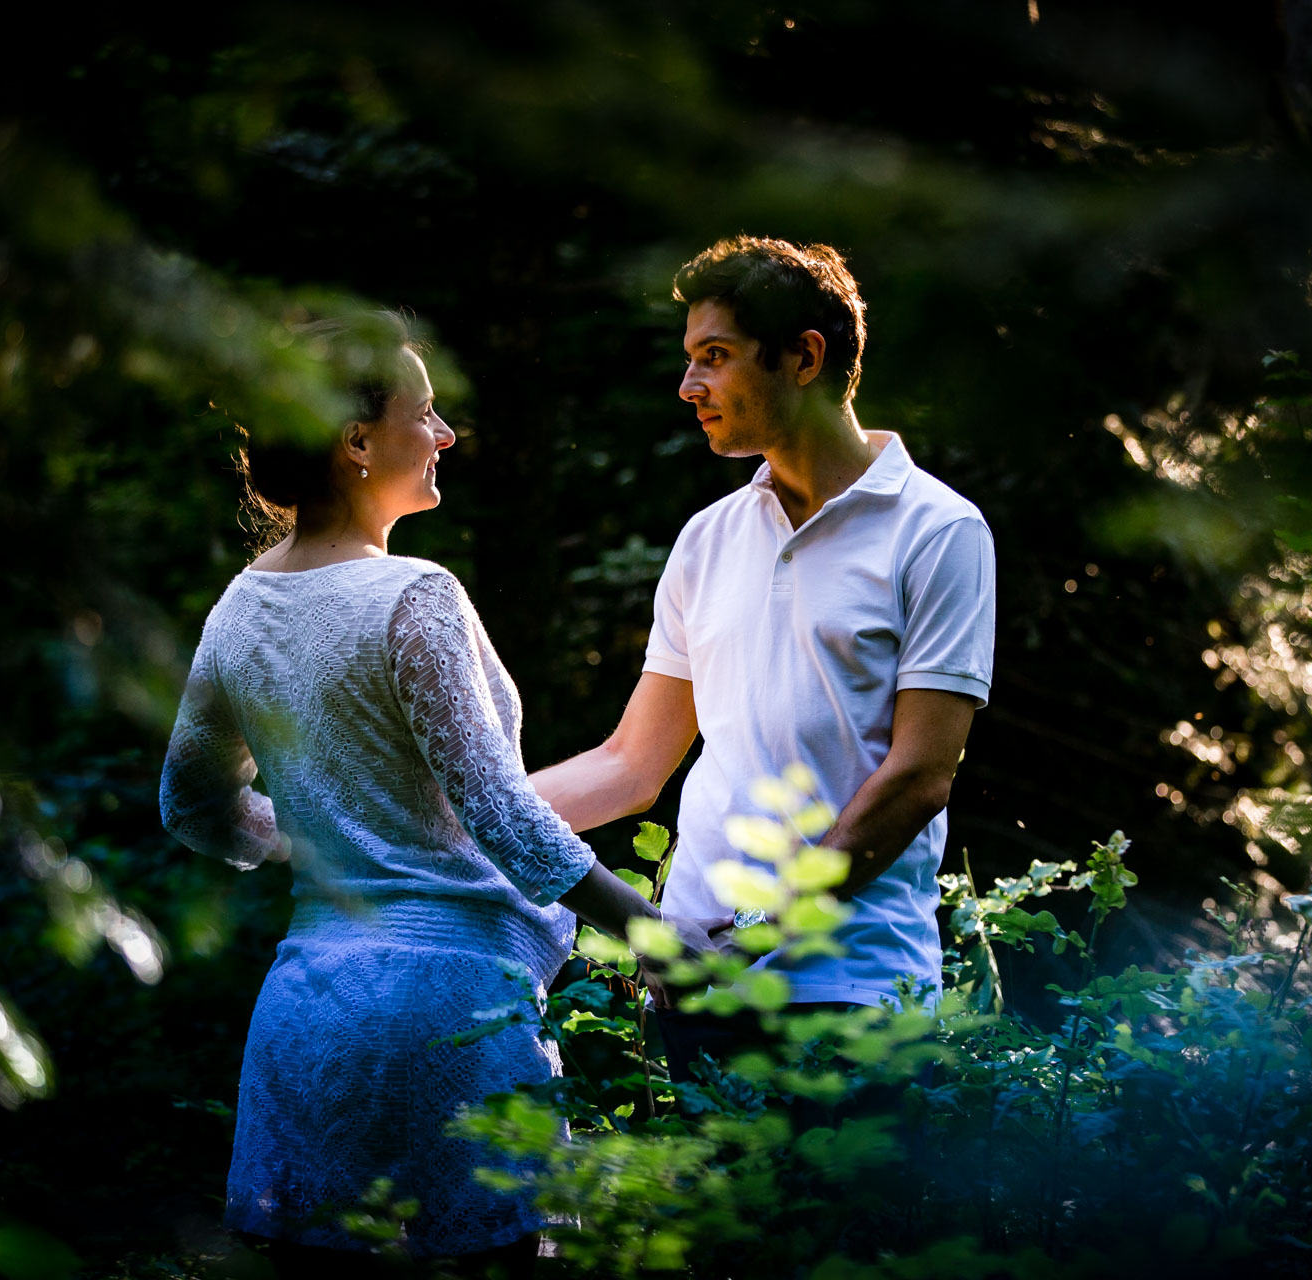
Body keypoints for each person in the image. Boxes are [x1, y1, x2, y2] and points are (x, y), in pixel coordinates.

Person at [158, 311, 724, 1276]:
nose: (446, 434)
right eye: (426, 413)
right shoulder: (414, 594)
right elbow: (498, 810)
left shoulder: (240, 605)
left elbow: (192, 806)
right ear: (358, 441)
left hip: (305, 1020)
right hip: (449, 1015)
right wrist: (648, 928)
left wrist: (312, 843)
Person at [531, 237, 996, 1079]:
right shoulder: (707, 540)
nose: (688, 387)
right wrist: (468, 810)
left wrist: (761, 934)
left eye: (715, 358)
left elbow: (921, 775)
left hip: (855, 991)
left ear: (805, 357)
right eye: (688, 360)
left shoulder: (940, 531)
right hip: (696, 984)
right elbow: (633, 765)